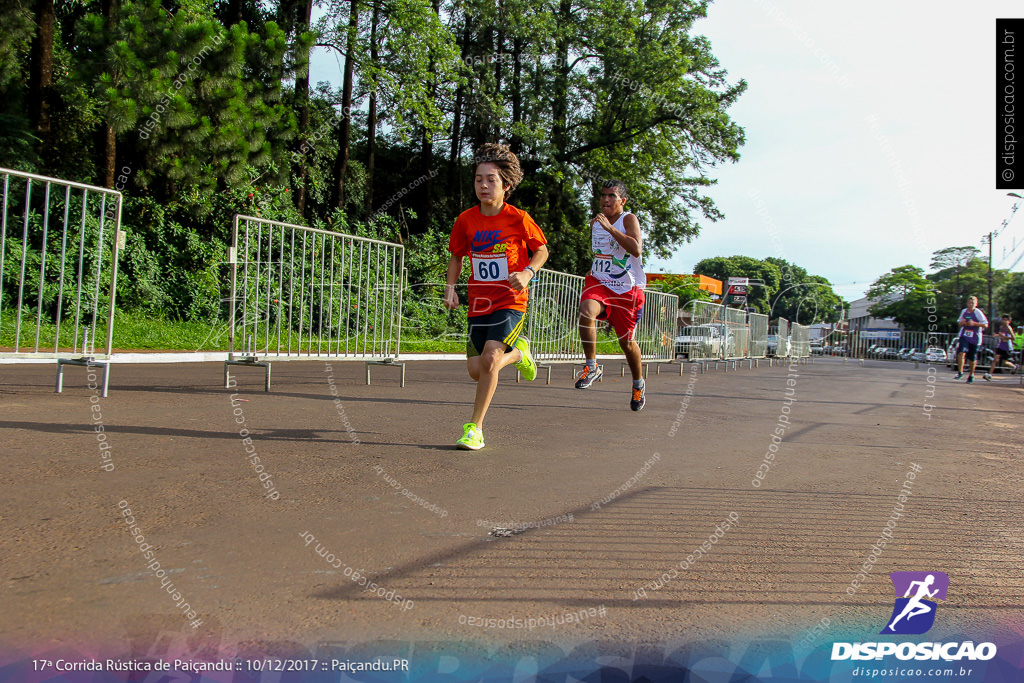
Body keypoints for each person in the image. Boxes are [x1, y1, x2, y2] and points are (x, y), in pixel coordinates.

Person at [444, 143, 549, 450]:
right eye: (478, 179)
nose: (484, 185)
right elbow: (456, 257)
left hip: (510, 301)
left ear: (506, 185)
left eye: (491, 179)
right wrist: (450, 288)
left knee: (491, 359)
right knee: (477, 371)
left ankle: (475, 428)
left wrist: (528, 272)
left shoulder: (519, 219)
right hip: (479, 303)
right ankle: (519, 353)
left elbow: (541, 249)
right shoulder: (466, 220)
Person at [575, 179, 647, 411]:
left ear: (622, 201)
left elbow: (635, 249)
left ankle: (638, 384)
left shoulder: (628, 219)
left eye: (612, 196)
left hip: (627, 288)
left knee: (626, 343)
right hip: (600, 281)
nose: (606, 199)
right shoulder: (596, 223)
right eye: (603, 195)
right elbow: (603, 252)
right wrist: (595, 267)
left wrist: (610, 228)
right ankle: (592, 366)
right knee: (586, 311)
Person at [954, 296, 989, 383]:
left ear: (976, 304)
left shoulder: (978, 313)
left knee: (972, 358)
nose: (970, 305)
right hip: (964, 335)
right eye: (969, 303)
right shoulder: (964, 311)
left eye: (972, 303)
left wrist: (974, 323)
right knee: (961, 352)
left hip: (975, 337)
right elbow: (959, 321)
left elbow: (985, 324)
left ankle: (971, 375)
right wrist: (962, 322)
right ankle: (960, 372)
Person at [983, 314, 1017, 381]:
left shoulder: (1009, 328)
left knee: (1005, 362)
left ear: (1009, 321)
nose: (1004, 321)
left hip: (1007, 347)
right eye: (1003, 320)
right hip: (1001, 345)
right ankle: (990, 374)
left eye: (1006, 320)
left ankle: (1014, 367)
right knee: (995, 359)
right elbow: (1001, 335)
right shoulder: (1001, 327)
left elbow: (1014, 338)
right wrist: (997, 335)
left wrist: (1005, 337)